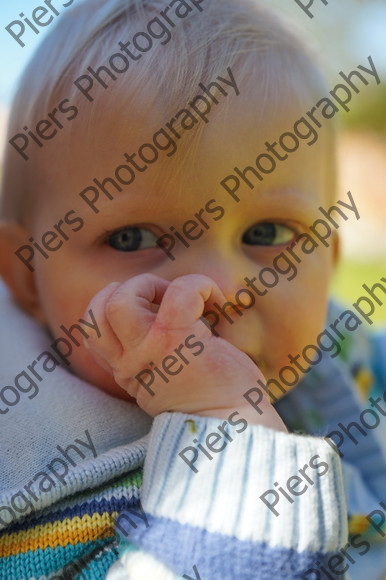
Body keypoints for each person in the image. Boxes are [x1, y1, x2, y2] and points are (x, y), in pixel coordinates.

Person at [0, 0, 385, 577]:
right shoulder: (36, 461)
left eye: (268, 233)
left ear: (327, 261)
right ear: (27, 274)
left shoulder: (343, 351)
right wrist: (223, 422)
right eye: (132, 237)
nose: (220, 289)